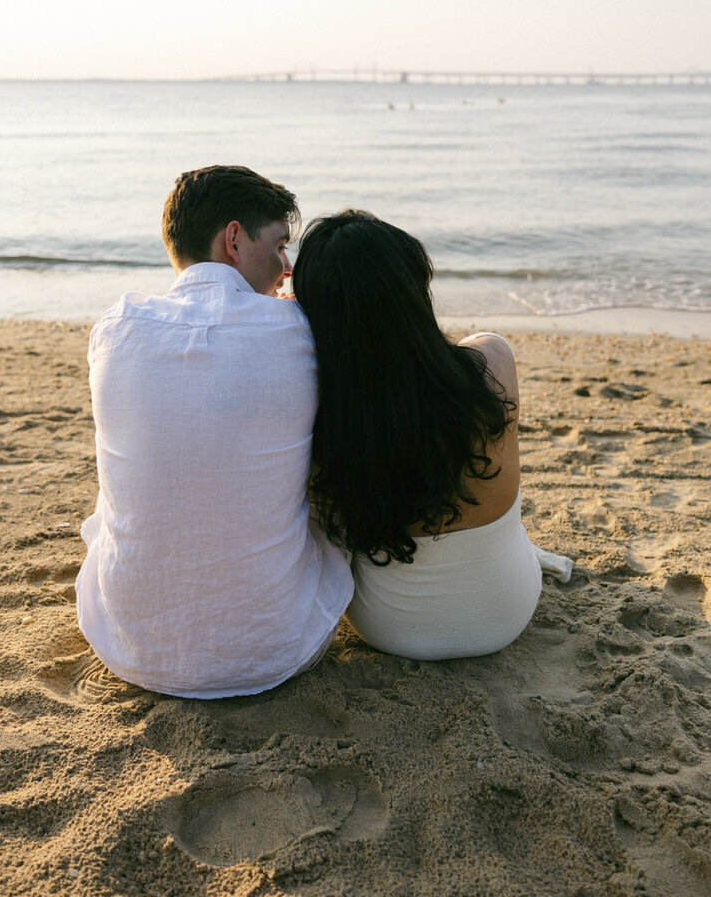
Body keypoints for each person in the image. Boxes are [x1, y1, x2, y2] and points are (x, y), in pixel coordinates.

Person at [75, 165, 353, 698]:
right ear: (233, 239)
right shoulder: (298, 332)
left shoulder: (116, 327)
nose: (286, 267)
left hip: (128, 647)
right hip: (278, 650)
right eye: (277, 246)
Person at [291, 209, 543, 660]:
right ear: (413, 292)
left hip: (391, 627)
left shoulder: (321, 409)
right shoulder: (492, 361)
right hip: (509, 609)